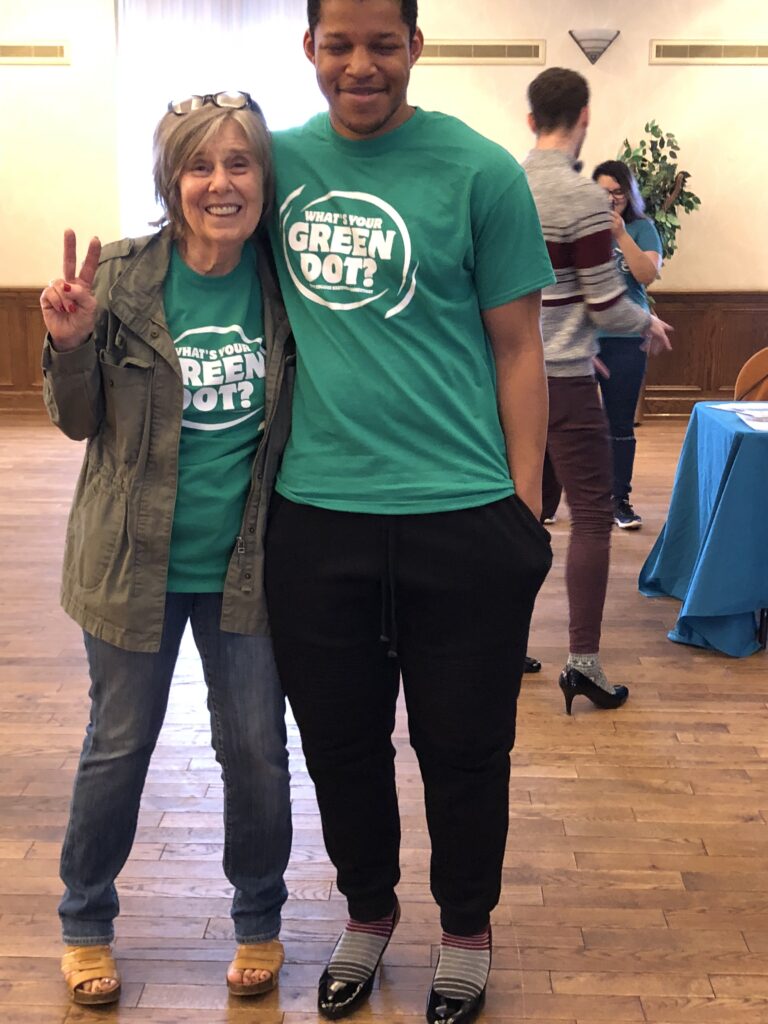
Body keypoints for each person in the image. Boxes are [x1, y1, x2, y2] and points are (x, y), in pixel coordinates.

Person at [263, 2, 554, 1021]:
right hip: (316, 519)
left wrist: (524, 513)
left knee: (466, 743)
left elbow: (520, 348)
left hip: (465, 517)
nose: (360, 64)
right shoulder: (273, 164)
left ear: (414, 48)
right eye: (338, 44)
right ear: (310, 50)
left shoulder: (480, 171)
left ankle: (466, 928)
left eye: (382, 43)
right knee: (339, 741)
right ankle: (370, 910)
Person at [40, 92, 293, 1006]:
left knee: (257, 748)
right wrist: (68, 344)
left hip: (249, 565)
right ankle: (85, 921)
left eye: (239, 164)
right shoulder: (124, 277)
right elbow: (77, 422)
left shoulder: (286, 281)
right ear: (171, 179)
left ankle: (260, 917)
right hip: (128, 564)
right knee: (119, 743)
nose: (220, 184)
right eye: (200, 165)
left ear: (264, 178)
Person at [522, 68, 672, 715]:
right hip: (567, 383)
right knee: (591, 518)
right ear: (583, 117)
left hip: (510, 382)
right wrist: (649, 322)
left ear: (531, 120)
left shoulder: (500, 185)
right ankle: (582, 663)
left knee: (520, 516)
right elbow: (608, 306)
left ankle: (501, 645)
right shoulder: (582, 198)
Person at [592, 160, 663, 530]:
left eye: (618, 192)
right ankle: (554, 499)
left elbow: (647, 275)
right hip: (580, 341)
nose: (611, 198)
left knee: (620, 423)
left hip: (625, 341)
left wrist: (620, 235)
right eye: (603, 192)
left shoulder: (642, 229)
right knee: (567, 422)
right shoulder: (580, 228)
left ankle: (619, 500)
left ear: (629, 194)